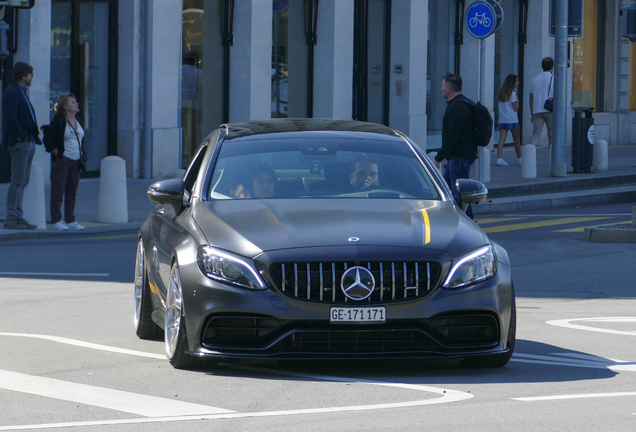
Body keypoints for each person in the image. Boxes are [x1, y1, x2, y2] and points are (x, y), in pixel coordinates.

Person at [2, 62, 41, 230]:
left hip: (27, 141)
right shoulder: (12, 92)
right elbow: (10, 119)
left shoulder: (21, 92)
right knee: (17, 180)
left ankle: (18, 216)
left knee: (23, 180)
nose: (32, 77)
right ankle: (12, 217)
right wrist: (23, 137)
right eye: (30, 74)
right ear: (24, 76)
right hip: (20, 142)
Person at [433, 73, 477, 219]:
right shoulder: (461, 103)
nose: (440, 89)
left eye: (442, 86)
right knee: (445, 191)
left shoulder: (458, 107)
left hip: (459, 157)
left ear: (448, 88)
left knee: (460, 196)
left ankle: (467, 222)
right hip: (456, 157)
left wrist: (438, 158)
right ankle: (449, 219)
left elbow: (452, 135)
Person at [43, 94, 85, 231]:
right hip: (63, 160)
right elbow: (48, 139)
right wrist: (57, 152)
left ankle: (70, 219)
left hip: (76, 160)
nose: (77, 104)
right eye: (73, 102)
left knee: (72, 191)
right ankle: (56, 220)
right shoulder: (59, 121)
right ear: (65, 107)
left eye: (76, 101)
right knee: (58, 191)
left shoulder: (77, 120)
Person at [495, 74, 523, 166]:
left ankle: (499, 158)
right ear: (512, 82)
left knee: (501, 139)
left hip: (502, 119)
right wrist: (517, 99)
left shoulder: (501, 93)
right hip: (512, 119)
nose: (518, 83)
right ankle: (520, 158)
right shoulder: (513, 93)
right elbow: (516, 108)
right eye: (516, 81)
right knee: (516, 139)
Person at [528, 57, 554, 148]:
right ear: (552, 66)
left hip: (537, 110)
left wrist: (532, 112)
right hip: (550, 110)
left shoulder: (534, 79)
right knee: (551, 134)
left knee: (536, 133)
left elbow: (531, 98)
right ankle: (552, 158)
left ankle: (529, 154)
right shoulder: (553, 78)